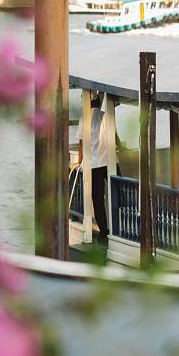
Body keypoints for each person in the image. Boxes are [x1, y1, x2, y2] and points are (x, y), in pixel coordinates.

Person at [75, 92, 111, 244]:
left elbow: (82, 143)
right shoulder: (105, 116)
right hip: (108, 162)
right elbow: (114, 138)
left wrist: (79, 161)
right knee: (114, 194)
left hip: (94, 164)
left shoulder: (84, 118)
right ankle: (117, 227)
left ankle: (104, 230)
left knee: (97, 199)